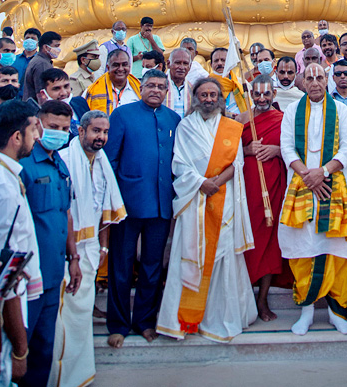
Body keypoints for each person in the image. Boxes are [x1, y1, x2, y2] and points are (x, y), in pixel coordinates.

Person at [157, 78, 256, 342]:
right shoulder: (185, 126)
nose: (209, 98)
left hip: (224, 201)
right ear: (195, 97)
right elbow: (179, 163)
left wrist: (215, 183)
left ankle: (217, 317)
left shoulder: (232, 127)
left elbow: (237, 163)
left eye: (213, 94)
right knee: (190, 256)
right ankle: (184, 319)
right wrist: (202, 183)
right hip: (194, 201)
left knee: (222, 257)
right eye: (204, 94)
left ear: (220, 98)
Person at [279, 63, 347, 336]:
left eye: (320, 77)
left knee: (338, 252)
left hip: (335, 185)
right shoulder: (292, 110)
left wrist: (323, 172)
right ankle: (306, 310)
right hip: (302, 185)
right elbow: (286, 146)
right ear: (302, 81)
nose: (315, 82)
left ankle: (337, 311)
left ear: (326, 79)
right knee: (304, 250)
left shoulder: (340, 110)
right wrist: (307, 175)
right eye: (310, 77)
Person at [49, 110, 126, 387]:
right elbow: (66, 212)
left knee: (80, 319)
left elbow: (105, 211)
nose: (100, 137)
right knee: (64, 319)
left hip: (91, 250)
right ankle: (59, 377)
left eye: (104, 132)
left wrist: (103, 249)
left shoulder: (102, 160)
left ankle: (79, 375)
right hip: (70, 252)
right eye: (95, 131)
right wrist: (74, 255)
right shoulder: (66, 161)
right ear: (80, 132)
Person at [105, 69, 179, 346]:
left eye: (161, 86)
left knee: (152, 268)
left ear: (167, 91)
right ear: (141, 87)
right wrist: (113, 202)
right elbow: (109, 162)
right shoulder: (122, 115)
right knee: (121, 267)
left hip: (161, 205)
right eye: (150, 85)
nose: (156, 90)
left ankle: (145, 321)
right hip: (127, 205)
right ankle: (118, 324)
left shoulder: (173, 119)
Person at [20, 100, 82, 387]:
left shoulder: (60, 163)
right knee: (20, 348)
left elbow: (65, 214)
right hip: (27, 278)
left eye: (65, 129)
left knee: (44, 348)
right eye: (53, 127)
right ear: (38, 125)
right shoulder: (23, 166)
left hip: (54, 273)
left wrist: (74, 258)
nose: (59, 133)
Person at [0, 102, 43, 386]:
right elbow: (4, 279)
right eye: (34, 130)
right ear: (17, 137)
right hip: (1, 324)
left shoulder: (2, 175)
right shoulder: (1, 188)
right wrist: (20, 350)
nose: (38, 137)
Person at [240, 76, 289, 321]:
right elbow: (226, 150)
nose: (261, 99)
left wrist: (277, 150)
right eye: (257, 95)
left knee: (270, 242)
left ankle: (262, 299)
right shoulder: (241, 120)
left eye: (266, 94)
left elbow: (294, 150)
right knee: (248, 240)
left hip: (274, 185)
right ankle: (245, 297)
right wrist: (246, 150)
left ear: (274, 94)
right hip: (248, 188)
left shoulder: (283, 120)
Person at [85, 48, 141, 114]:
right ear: (108, 68)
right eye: (116, 65)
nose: (120, 69)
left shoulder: (139, 89)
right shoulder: (92, 91)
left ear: (129, 66)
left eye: (124, 64)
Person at [37, 68, 90, 137]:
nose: (63, 93)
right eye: (56, 89)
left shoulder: (80, 102)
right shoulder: (40, 118)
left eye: (66, 86)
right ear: (43, 94)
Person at [22, 31, 61, 101]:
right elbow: (42, 94)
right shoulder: (42, 64)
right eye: (56, 46)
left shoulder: (43, 61)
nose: (58, 49)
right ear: (46, 47)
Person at [165, 47, 192, 117]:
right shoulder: (159, 86)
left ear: (190, 66)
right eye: (178, 63)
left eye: (185, 63)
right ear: (168, 64)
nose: (181, 67)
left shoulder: (193, 89)